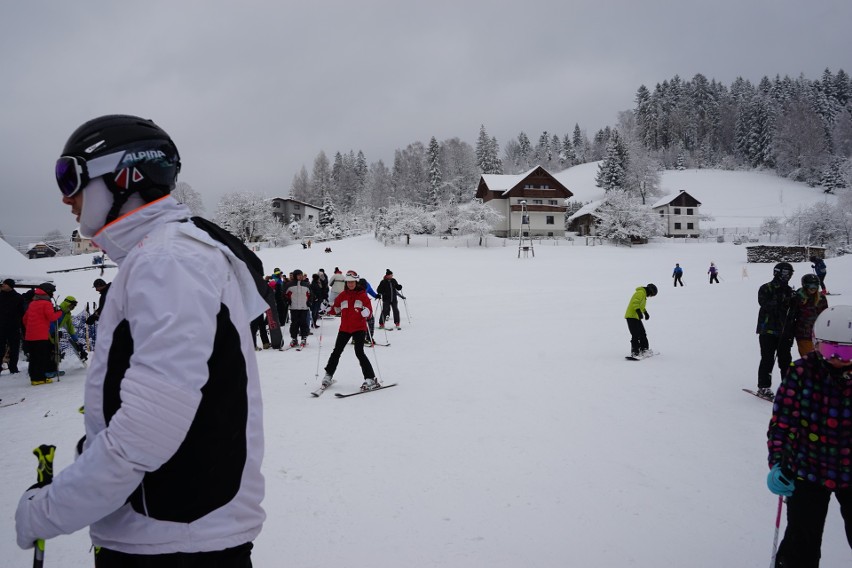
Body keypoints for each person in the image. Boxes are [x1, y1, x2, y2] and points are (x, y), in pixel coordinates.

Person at [16, 114, 265, 565]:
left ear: (123, 176)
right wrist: (84, 469)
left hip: (176, 540)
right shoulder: (158, 256)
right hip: (171, 530)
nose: (65, 196)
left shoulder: (169, 261)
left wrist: (48, 511)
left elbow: (145, 431)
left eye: (70, 176)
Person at [766, 305, 852, 567]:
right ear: (816, 344)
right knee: (801, 542)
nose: (836, 358)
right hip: (807, 470)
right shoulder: (802, 371)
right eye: (829, 350)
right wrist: (778, 461)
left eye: (846, 350)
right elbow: (782, 421)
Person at [321, 271, 377, 391]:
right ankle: (328, 375)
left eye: (352, 282)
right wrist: (326, 308)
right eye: (348, 282)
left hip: (359, 328)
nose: (350, 284)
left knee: (359, 352)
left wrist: (365, 312)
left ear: (356, 282)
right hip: (345, 328)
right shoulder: (343, 295)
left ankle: (370, 377)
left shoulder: (362, 295)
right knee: (336, 351)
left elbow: (369, 313)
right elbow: (335, 309)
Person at [755, 262, 797, 400]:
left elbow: (793, 312)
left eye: (790, 273)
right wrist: (782, 300)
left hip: (785, 331)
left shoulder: (790, 291)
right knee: (767, 358)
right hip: (768, 330)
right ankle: (764, 386)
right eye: (785, 273)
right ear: (777, 272)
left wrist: (794, 300)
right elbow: (765, 304)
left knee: (786, 360)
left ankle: (789, 387)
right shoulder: (766, 288)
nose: (788, 276)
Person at [21, 283, 62, 385]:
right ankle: (40, 378)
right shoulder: (46, 303)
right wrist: (59, 312)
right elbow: (52, 317)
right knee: (42, 357)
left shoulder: (32, 303)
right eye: (52, 292)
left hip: (30, 336)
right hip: (41, 335)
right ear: (47, 292)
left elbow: (24, 319)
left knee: (34, 358)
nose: (52, 294)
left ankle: (34, 378)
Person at [792, 273, 828, 357]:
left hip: (819, 335)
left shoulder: (821, 298)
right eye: (810, 285)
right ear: (805, 285)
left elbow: (825, 315)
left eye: (816, 285)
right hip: (804, 334)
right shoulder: (798, 297)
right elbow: (792, 315)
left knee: (822, 360)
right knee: (810, 359)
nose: (813, 288)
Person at [49, 296, 88, 372]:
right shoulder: (57, 310)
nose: (73, 307)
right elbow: (50, 321)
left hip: (54, 335)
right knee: (50, 351)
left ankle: (53, 370)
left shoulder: (67, 314)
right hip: (47, 333)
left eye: (74, 306)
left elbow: (70, 328)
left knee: (54, 351)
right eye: (72, 305)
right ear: (67, 303)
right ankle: (49, 370)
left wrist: (77, 342)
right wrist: (54, 331)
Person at [624, 283, 657, 357]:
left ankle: (644, 349)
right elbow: (635, 302)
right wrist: (638, 312)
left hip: (636, 317)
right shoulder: (640, 293)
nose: (650, 296)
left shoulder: (643, 295)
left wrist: (645, 313)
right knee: (635, 334)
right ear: (650, 290)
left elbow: (641, 306)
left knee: (642, 333)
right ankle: (635, 352)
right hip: (631, 316)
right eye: (651, 294)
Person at [0, 278, 25, 375]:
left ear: (10, 286)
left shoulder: (17, 297)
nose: (2, 285)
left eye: (5, 284)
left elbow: (22, 313)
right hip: (1, 327)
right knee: (0, 348)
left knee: (14, 348)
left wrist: (21, 326)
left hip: (13, 327)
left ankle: (13, 367)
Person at [285, 269, 311, 348]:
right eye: (299, 275)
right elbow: (284, 294)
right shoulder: (289, 285)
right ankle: (294, 339)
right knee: (294, 323)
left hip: (304, 307)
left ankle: (304, 338)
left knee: (303, 323)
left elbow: (311, 294)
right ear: (295, 276)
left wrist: (309, 302)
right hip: (294, 307)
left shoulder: (306, 284)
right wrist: (287, 301)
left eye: (301, 275)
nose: (300, 276)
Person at [358, 276, 380, 345]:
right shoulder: (356, 288)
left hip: (366, 305)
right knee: (359, 323)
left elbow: (371, 292)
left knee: (371, 321)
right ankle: (356, 338)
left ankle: (369, 337)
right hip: (358, 306)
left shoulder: (367, 285)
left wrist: (376, 296)